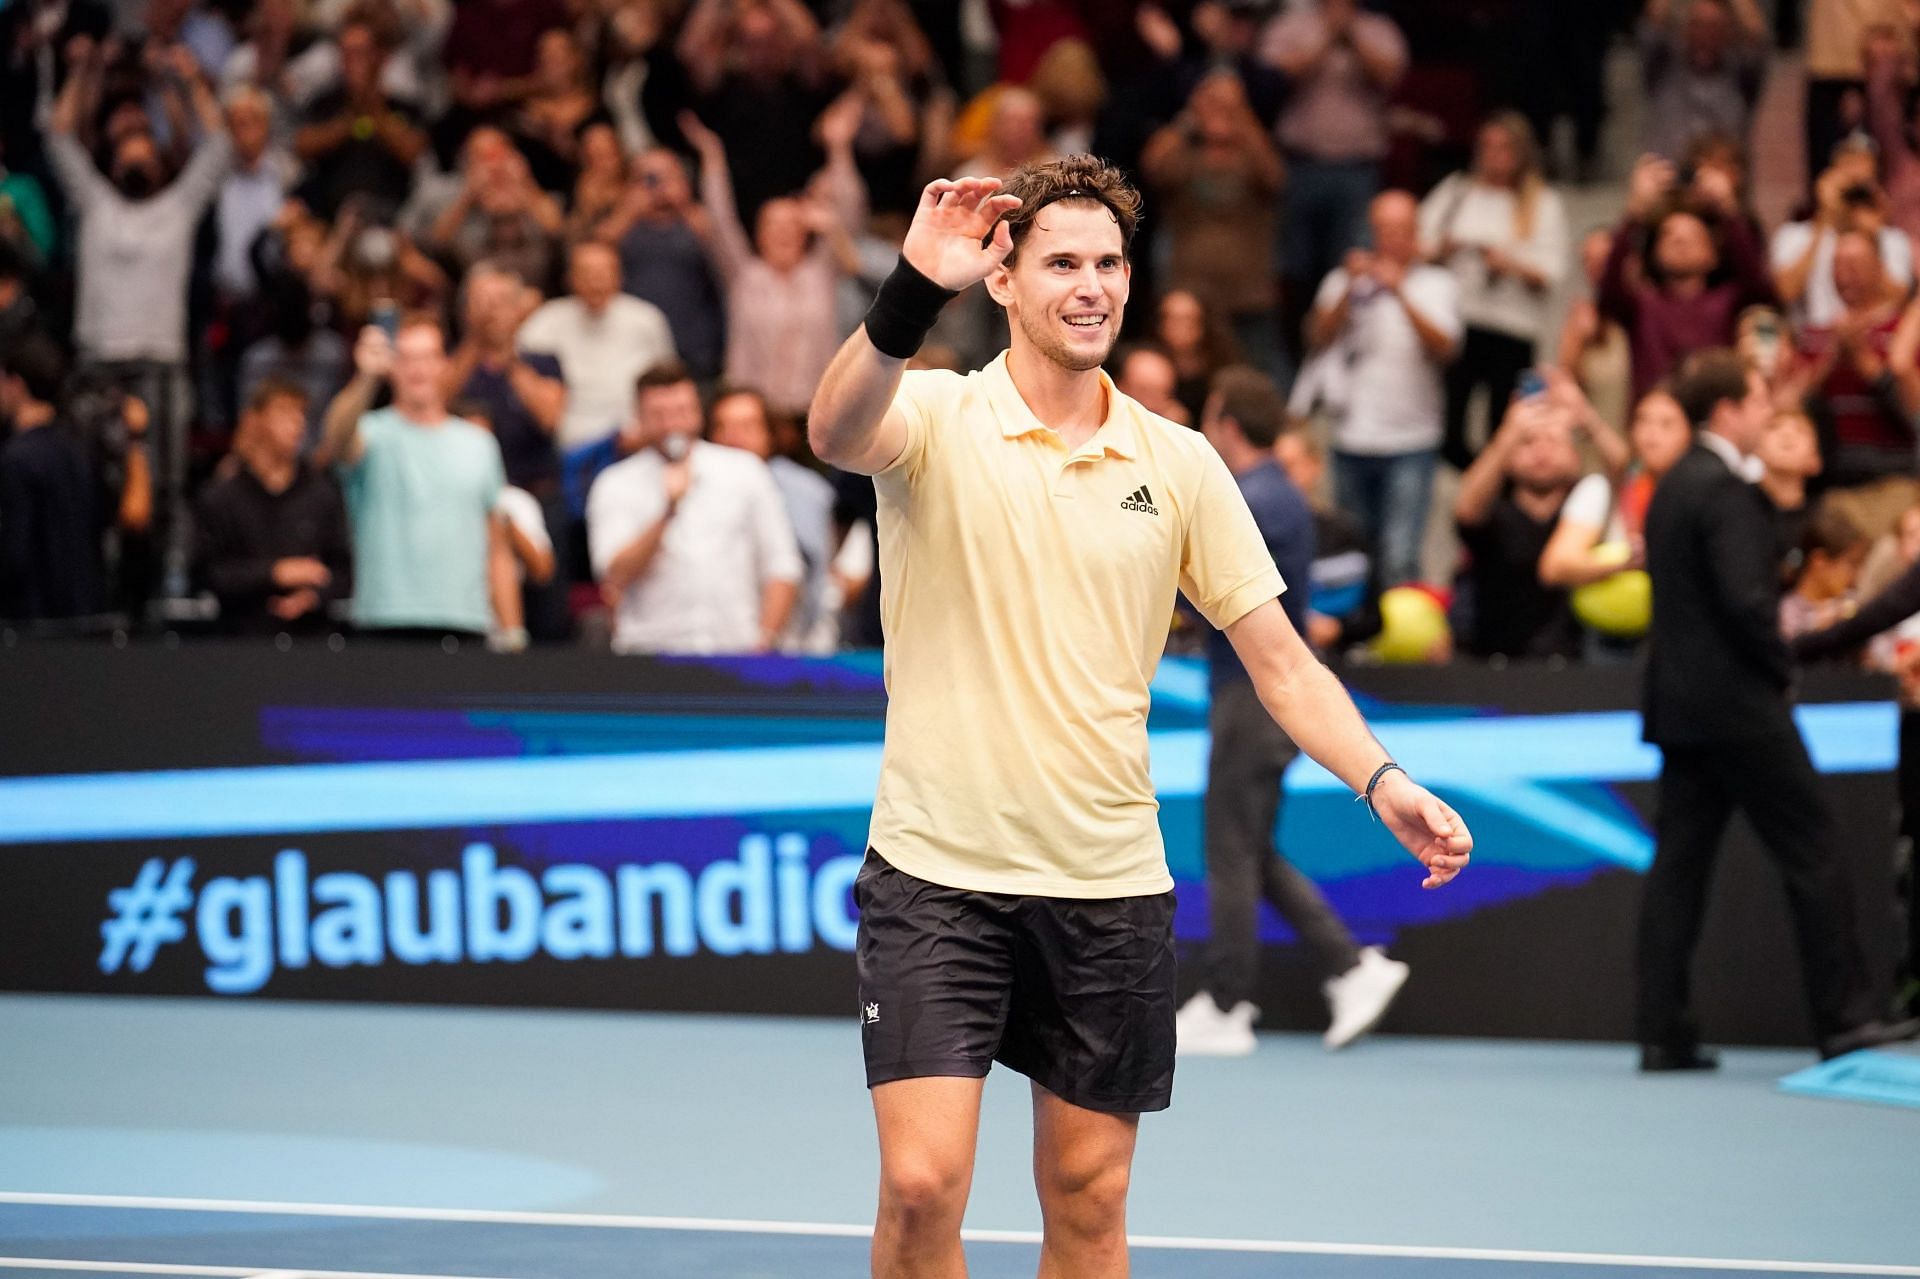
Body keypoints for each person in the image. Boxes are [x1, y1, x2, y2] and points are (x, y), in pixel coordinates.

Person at [806, 156, 1471, 1276]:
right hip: (935, 873)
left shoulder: (1180, 463)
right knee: (921, 1189)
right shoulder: (934, 415)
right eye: (1061, 261)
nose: (1092, 284)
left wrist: (1383, 778)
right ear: (1003, 281)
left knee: (1088, 1200)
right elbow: (832, 430)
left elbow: (1284, 665)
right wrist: (910, 290)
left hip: (1107, 884)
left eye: (1109, 263)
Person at [1636, 347, 1918, 1069]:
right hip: (1741, 708)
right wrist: (1780, 669)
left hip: (1680, 706)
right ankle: (1846, 1021)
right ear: (1728, 408)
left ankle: (1663, 1030)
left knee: (1679, 867)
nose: (1770, 409)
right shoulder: (1726, 490)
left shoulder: (1671, 485)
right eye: (1761, 398)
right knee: (1815, 851)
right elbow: (1748, 606)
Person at [1178, 365, 1410, 1059]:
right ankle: (1351, 966)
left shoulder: (1252, 495)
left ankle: (1226, 1004)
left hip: (1255, 695)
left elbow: (1197, 589)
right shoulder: (1275, 493)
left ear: (1225, 426)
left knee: (1230, 847)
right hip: (1257, 695)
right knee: (1253, 851)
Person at [1300, 190, 1462, 587]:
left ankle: (1402, 645)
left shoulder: (1438, 284)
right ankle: (1357, 642)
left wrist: (1400, 292)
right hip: (1350, 437)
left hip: (1412, 439)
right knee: (1352, 554)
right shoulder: (1343, 280)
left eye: (1401, 229)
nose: (1391, 238)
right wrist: (1348, 291)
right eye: (1383, 229)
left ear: (1416, 232)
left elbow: (1447, 349)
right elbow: (1315, 337)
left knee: (1400, 555)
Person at [318, 315, 513, 642]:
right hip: (383, 619)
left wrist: (513, 630)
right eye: (406, 358)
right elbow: (336, 440)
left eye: (426, 357)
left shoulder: (479, 443)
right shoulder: (370, 432)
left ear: (444, 365)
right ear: (393, 367)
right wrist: (366, 377)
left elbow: (498, 547)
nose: (417, 369)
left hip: (464, 621)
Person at [587, 361, 802, 655]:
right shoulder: (615, 483)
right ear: (639, 418)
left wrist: (765, 641)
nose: (672, 424)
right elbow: (614, 575)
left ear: (698, 413)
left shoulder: (744, 471)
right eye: (659, 415)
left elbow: (782, 565)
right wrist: (668, 511)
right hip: (649, 653)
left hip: (736, 649)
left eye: (681, 412)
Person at [1421, 113, 1569, 470]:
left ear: (1521, 153)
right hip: (1461, 322)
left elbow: (1552, 271)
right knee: (1449, 424)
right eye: (1486, 147)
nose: (1493, 156)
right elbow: (1420, 243)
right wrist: (1448, 249)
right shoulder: (1458, 190)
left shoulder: (1541, 202)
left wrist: (1509, 264)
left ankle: (1493, 488)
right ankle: (1475, 479)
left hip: (1512, 328)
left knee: (1503, 427)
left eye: (1503, 148)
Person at [194, 378, 352, 634]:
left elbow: (343, 571)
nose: (297, 424)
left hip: (310, 640)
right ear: (254, 420)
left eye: (301, 413)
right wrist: (274, 573)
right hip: (240, 641)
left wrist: (313, 597)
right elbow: (208, 574)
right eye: (284, 412)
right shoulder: (222, 497)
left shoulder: (322, 493)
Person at [1453, 390, 1587, 662]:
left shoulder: (1586, 515)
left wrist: (1589, 419)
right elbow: (1466, 510)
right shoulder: (1494, 515)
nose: (1541, 451)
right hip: (1495, 662)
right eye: (1528, 442)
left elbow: (1619, 466)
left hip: (1573, 666)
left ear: (1575, 456)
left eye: (1552, 441)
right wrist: (1510, 432)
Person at [706, 386, 839, 653]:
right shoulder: (692, 483)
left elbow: (807, 569)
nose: (734, 437)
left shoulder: (802, 490)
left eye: (747, 426)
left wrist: (769, 637)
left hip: (791, 643)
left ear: (769, 433)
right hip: (716, 641)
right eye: (724, 426)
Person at [518, 241, 677, 452]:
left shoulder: (646, 319)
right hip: (566, 443)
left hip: (635, 437)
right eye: (586, 273)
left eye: (603, 273)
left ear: (620, 277)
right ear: (569, 278)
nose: (595, 282)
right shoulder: (546, 321)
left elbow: (668, 383)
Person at [1638, 0, 1769, 163]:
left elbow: (1755, 34)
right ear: (1685, 30)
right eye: (1698, 25)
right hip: (1669, 178)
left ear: (1727, 33)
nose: (1705, 35)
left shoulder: (1741, 75)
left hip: (1723, 178)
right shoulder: (1664, 70)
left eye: (1713, 27)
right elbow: (1654, 21)